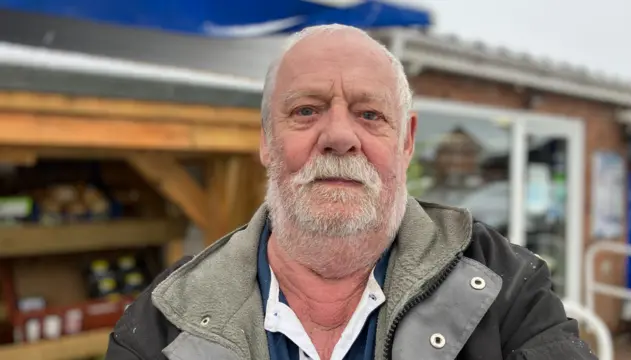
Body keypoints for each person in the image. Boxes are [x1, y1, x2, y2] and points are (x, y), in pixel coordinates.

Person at [105, 24, 596, 360]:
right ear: (265, 141)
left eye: (369, 114)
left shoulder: (507, 289)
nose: (339, 136)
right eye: (306, 111)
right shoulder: (161, 325)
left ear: (405, 141)